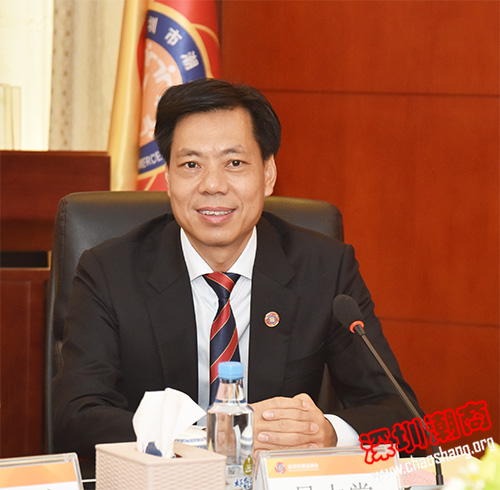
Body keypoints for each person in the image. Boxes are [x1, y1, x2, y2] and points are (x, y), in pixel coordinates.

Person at [53, 78, 421, 459]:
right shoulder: (109, 272)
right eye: (191, 164)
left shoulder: (324, 270)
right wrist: (208, 437)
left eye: (234, 163)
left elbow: (403, 417)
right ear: (169, 178)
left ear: (268, 174)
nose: (213, 185)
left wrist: (325, 433)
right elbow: (76, 419)